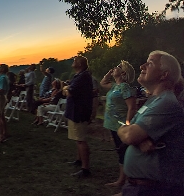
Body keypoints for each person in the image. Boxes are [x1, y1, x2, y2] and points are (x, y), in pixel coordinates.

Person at [117, 51, 184, 195]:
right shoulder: (154, 100)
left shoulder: (167, 102)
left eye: (150, 63)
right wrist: (139, 139)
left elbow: (129, 135)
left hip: (152, 189)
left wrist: (133, 135)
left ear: (164, 75)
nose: (142, 66)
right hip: (138, 186)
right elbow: (129, 129)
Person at [100, 60, 136, 188]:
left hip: (120, 125)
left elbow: (131, 107)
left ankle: (123, 181)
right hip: (113, 125)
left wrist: (127, 124)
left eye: (119, 67)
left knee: (123, 152)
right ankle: (123, 179)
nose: (115, 67)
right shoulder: (115, 86)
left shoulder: (124, 87)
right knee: (120, 151)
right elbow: (102, 83)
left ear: (123, 72)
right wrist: (109, 73)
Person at [63, 55, 94, 177]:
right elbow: (71, 88)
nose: (73, 62)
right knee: (78, 138)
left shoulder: (83, 76)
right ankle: (79, 160)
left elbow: (70, 92)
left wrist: (66, 88)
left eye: (75, 61)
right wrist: (68, 86)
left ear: (80, 64)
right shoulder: (79, 76)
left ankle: (85, 169)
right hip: (75, 111)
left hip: (79, 112)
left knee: (81, 140)